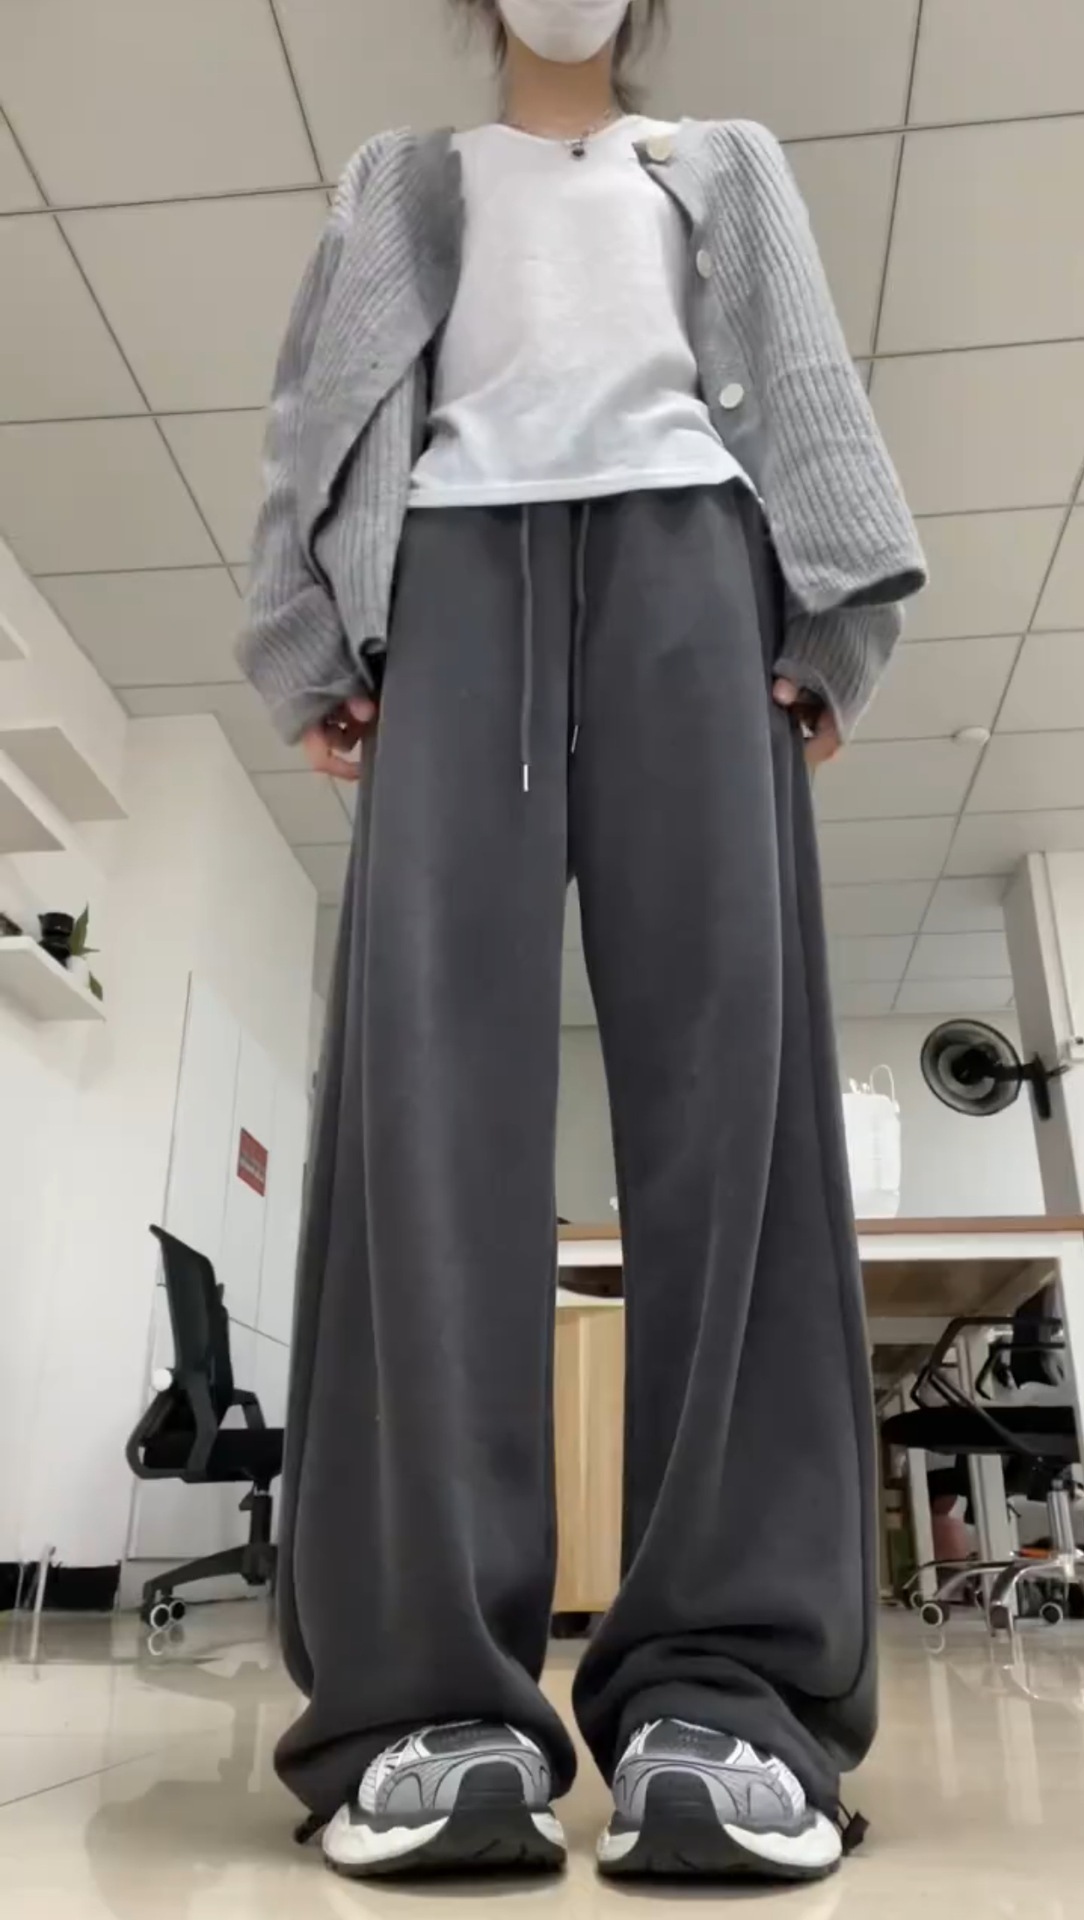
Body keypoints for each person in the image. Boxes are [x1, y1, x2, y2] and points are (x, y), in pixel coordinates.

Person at [240, 0, 926, 1887]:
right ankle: (426, 1703)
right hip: (449, 581)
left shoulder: (725, 164)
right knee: (423, 1118)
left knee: (739, 1107)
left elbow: (804, 379)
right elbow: (313, 406)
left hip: (696, 566)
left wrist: (832, 627)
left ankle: (734, 1696)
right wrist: (309, 638)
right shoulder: (401, 181)